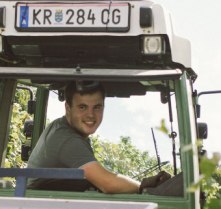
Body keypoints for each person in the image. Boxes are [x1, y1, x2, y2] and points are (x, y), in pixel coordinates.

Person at [27, 80, 170, 193]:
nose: (90, 115)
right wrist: (143, 186)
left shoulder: (64, 128)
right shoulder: (67, 140)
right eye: (82, 107)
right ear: (68, 108)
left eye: (97, 107)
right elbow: (108, 183)